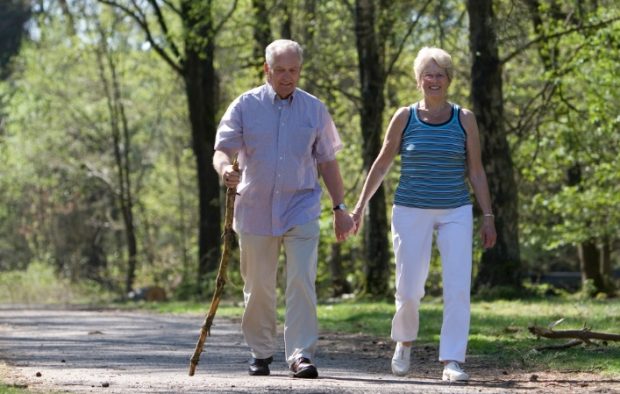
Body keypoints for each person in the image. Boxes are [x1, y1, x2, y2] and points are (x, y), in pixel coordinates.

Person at [350, 47, 497, 382]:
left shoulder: (465, 119)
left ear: (449, 80)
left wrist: (487, 215)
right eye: (428, 74)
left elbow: (476, 171)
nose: (434, 80)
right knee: (409, 286)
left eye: (440, 74)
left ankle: (452, 360)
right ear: (418, 80)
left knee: (458, 285)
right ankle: (404, 341)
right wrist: (360, 206)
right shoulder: (405, 117)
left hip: (456, 209)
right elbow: (383, 162)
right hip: (410, 209)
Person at [213, 39, 354, 379]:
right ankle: (261, 352)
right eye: (280, 70)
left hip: (301, 206)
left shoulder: (314, 109)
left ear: (299, 70)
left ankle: (301, 355)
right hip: (254, 209)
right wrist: (224, 171)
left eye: (293, 70)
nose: (287, 77)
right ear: (267, 70)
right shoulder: (244, 106)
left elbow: (328, 163)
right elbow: (221, 150)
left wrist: (340, 207)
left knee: (301, 281)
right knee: (259, 285)